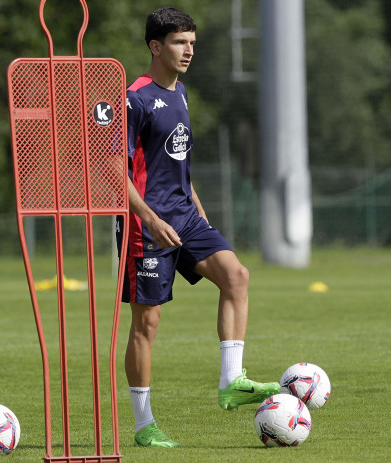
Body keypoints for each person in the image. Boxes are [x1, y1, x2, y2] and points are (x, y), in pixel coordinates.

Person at [117, 7, 279, 448]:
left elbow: (177, 165)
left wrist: (197, 207)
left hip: (185, 215)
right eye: (178, 42)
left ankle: (232, 380)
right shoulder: (132, 98)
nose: (188, 50)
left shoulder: (181, 93)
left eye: (192, 42)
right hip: (143, 224)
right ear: (155, 46)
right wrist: (149, 220)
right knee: (146, 324)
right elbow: (113, 171)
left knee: (236, 276)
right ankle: (144, 425)